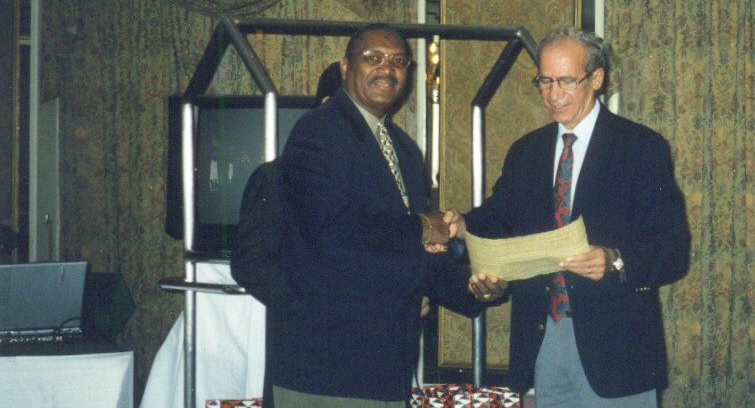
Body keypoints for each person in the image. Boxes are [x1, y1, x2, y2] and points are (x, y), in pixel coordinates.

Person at [274, 23, 504, 407]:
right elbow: (331, 232)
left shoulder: (405, 150)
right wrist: (422, 226)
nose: (387, 68)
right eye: (373, 58)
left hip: (387, 368)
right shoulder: (318, 131)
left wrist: (473, 287)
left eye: (398, 61)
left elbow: (414, 250)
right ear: (345, 67)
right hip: (327, 370)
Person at [461, 27, 690, 407]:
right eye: (545, 81)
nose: (553, 95)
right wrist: (459, 225)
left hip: (617, 349)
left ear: (596, 78)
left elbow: (673, 249)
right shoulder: (527, 151)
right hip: (543, 340)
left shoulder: (641, 147)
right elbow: (498, 218)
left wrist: (615, 260)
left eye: (566, 81)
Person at [231, 61, 344, 407]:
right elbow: (252, 265)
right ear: (327, 106)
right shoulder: (276, 178)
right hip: (304, 359)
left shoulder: (378, 181)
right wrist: (318, 308)